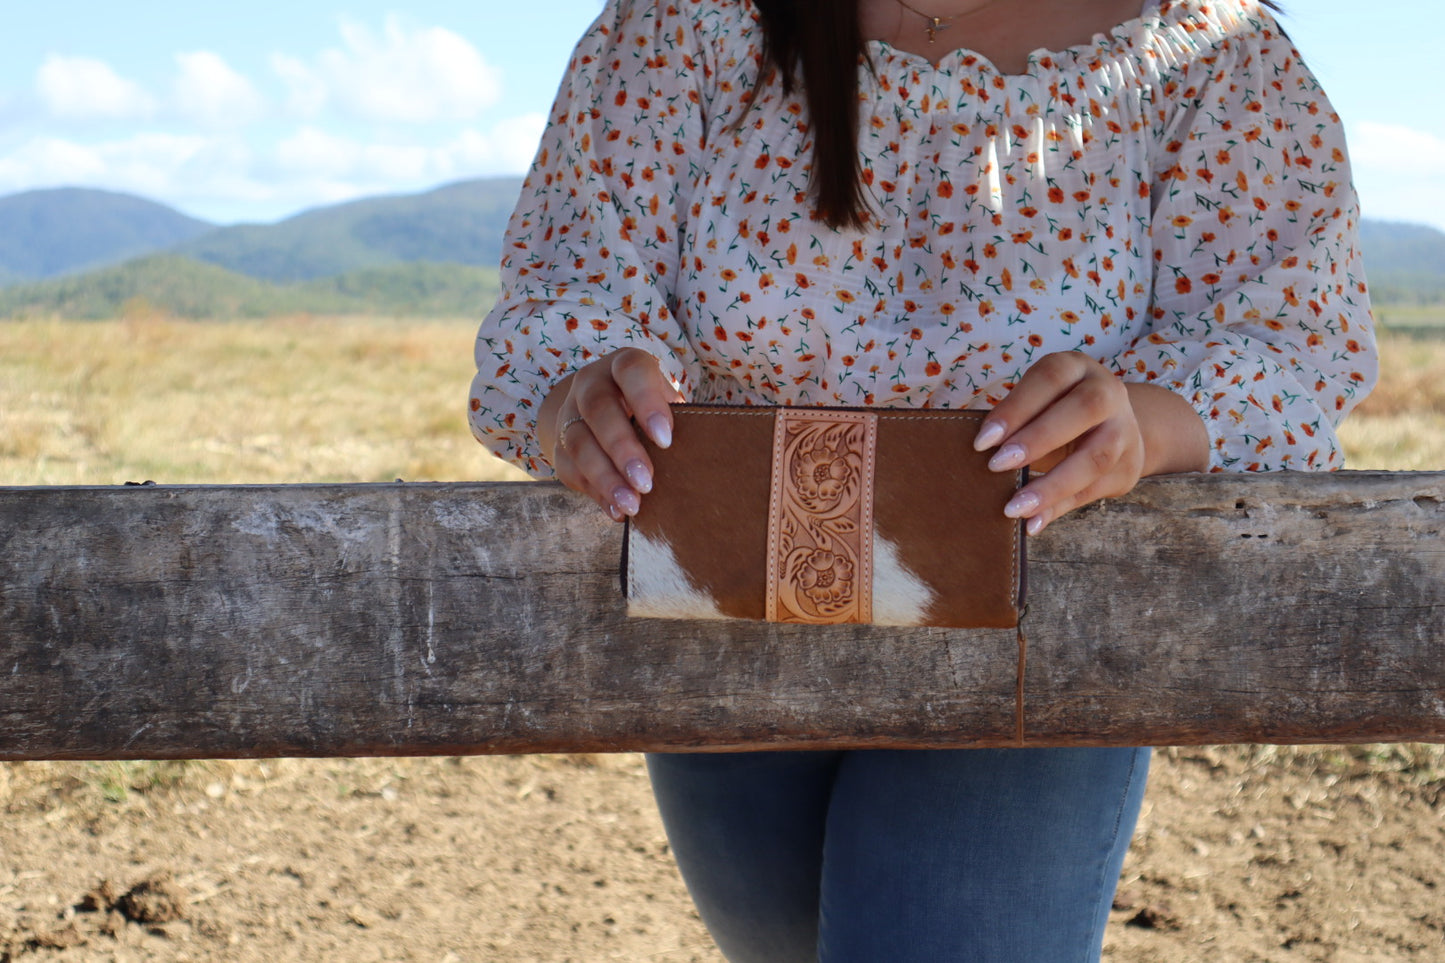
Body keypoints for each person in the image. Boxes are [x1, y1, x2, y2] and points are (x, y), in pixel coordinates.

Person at [468, 0, 1378, 958]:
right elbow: (570, 290)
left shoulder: (1207, 53)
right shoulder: (682, 25)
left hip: (1037, 639)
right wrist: (579, 399)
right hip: (725, 616)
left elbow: (1289, 345)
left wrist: (1138, 425)